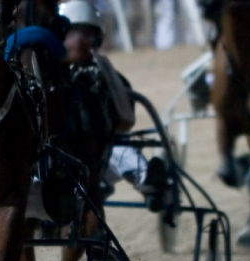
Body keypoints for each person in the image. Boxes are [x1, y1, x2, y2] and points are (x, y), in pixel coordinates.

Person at [58, 0, 169, 210]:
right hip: (59, 162)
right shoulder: (48, 75)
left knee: (121, 149)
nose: (79, 40)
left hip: (101, 158)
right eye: (71, 33)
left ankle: (149, 181)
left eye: (86, 33)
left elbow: (125, 120)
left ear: (97, 39)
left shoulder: (106, 76)